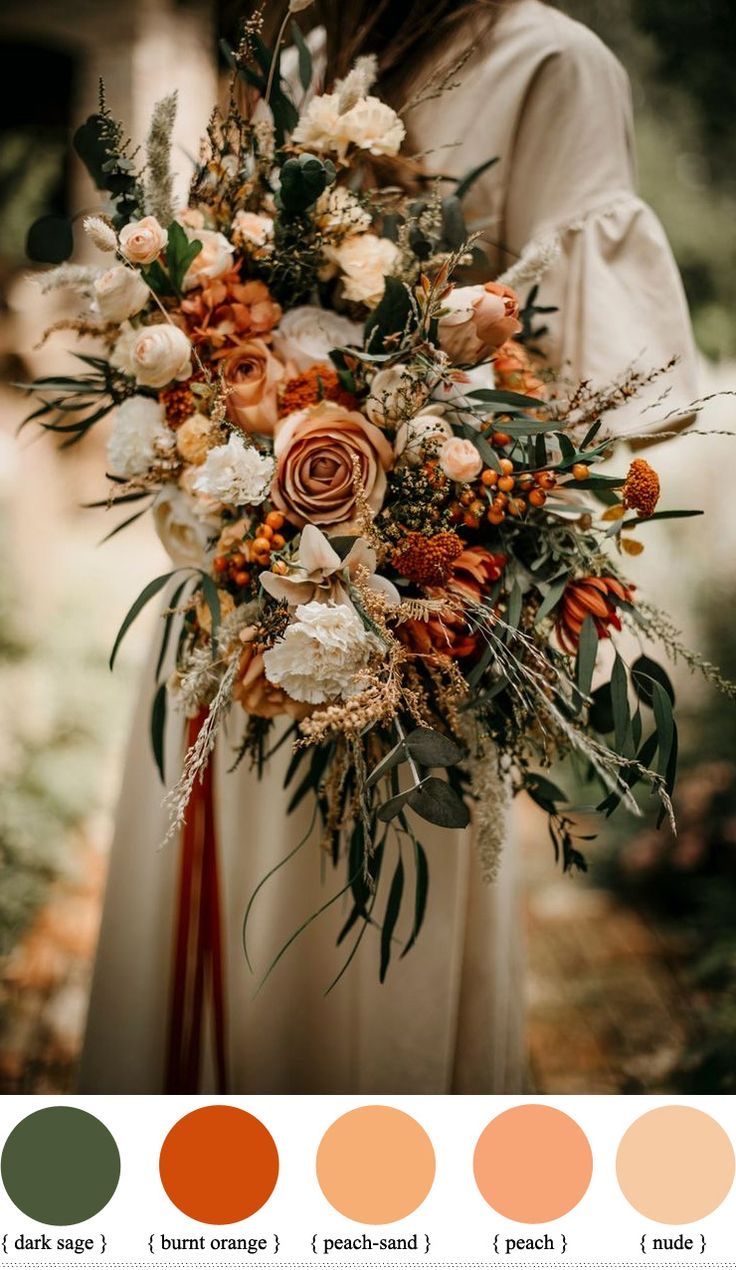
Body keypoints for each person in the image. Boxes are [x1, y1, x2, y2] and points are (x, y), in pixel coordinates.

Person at [79, 0, 697, 1094]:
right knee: (218, 957)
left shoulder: (551, 64)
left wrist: (404, 462)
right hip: (228, 595)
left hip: (400, 635)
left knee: (367, 989)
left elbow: (595, 394)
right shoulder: (316, 48)